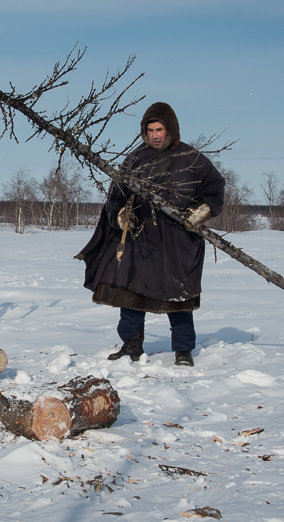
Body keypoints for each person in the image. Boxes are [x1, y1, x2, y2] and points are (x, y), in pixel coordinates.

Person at [78, 102, 225, 366]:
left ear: (171, 129)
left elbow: (214, 189)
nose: (155, 135)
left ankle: (183, 351)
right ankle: (131, 347)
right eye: (150, 130)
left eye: (160, 129)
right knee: (132, 295)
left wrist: (199, 212)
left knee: (179, 297)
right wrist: (122, 214)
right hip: (140, 240)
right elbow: (116, 196)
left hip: (178, 242)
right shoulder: (135, 159)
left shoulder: (192, 159)